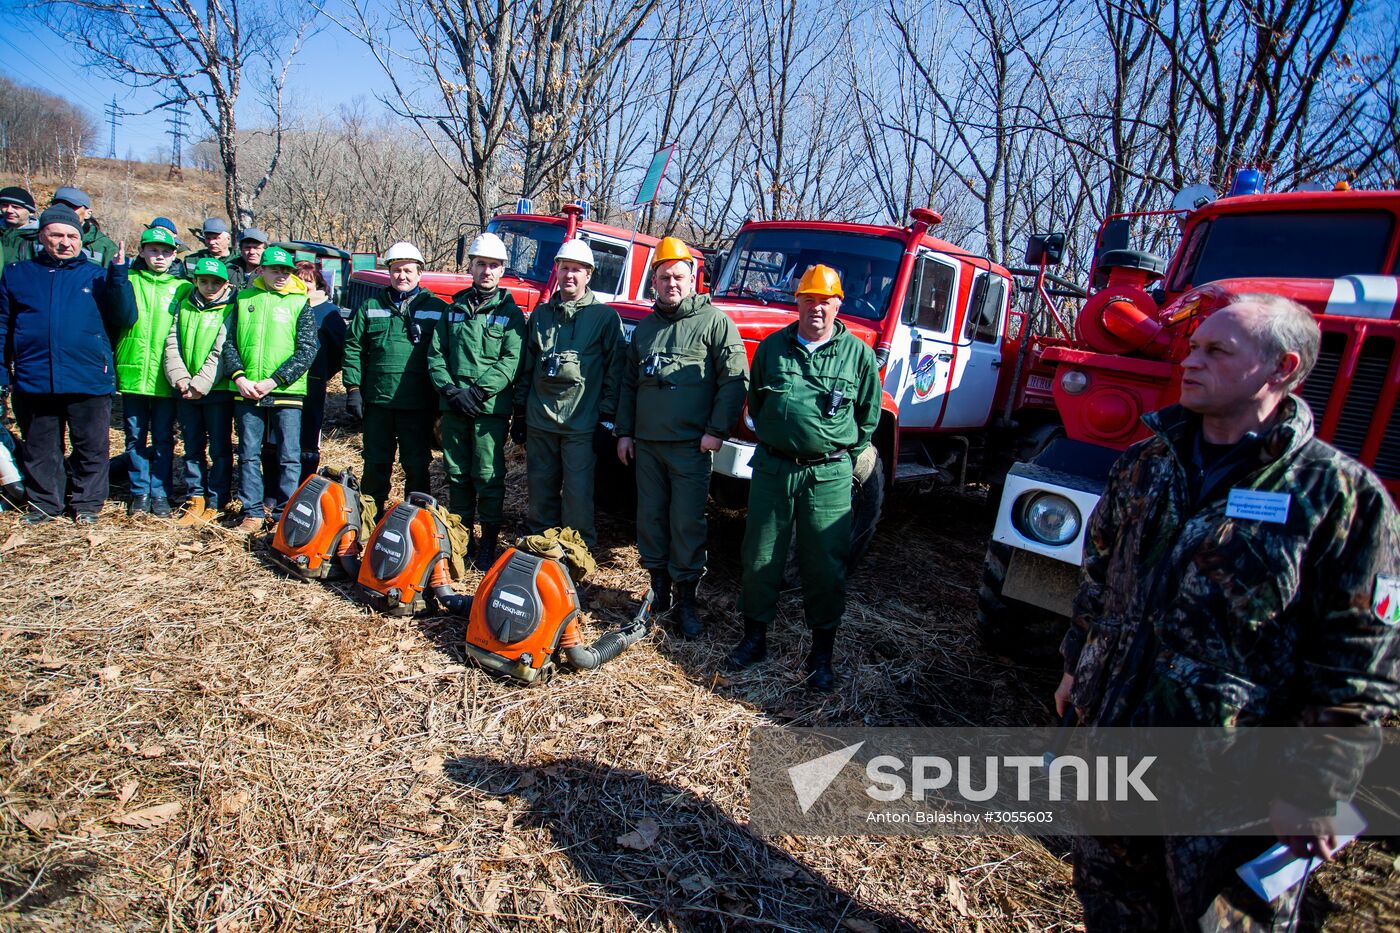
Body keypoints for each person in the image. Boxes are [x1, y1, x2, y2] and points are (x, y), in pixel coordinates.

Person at [1056, 294, 1400, 931]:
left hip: (1232, 788)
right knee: (1110, 906)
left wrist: (1315, 786)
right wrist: (1077, 665)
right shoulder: (1145, 464)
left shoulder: (1340, 497)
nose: (1191, 361)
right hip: (1117, 753)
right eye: (1194, 347)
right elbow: (1101, 576)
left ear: (1281, 368)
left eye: (1217, 350)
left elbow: (1361, 664)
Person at [726, 265, 879, 692]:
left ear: (837, 304)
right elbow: (756, 401)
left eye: (825, 300)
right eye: (808, 299)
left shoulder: (859, 355)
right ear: (797, 302)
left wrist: (830, 450)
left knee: (825, 564)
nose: (816, 308)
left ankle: (821, 654)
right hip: (774, 468)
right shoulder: (774, 348)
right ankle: (754, 638)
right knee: (759, 556)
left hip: (828, 474)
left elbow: (866, 420)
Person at [615, 236, 747, 637]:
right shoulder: (646, 328)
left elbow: (735, 380)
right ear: (653, 281)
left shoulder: (715, 322)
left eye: (678, 276)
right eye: (663, 276)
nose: (671, 283)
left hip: (691, 447)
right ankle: (659, 593)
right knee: (651, 520)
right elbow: (628, 384)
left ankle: (687, 602)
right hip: (648, 446)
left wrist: (716, 432)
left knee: (687, 523)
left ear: (693, 280)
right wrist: (624, 433)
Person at [0, 204, 133, 524]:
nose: (65, 242)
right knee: (40, 447)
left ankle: (87, 504)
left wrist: (118, 277)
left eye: (72, 235)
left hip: (88, 376)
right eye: (56, 234)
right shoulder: (18, 275)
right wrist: (3, 373)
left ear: (81, 240)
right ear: (41, 236)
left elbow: (126, 317)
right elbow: (3, 326)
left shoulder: (99, 276)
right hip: (35, 377)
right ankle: (46, 504)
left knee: (91, 447)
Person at [513, 238, 624, 550]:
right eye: (565, 269)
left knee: (577, 495)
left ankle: (576, 555)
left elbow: (615, 370)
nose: (570, 275)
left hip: (581, 424)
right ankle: (539, 548)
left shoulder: (604, 318)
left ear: (589, 274)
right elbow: (527, 366)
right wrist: (520, 412)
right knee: (540, 491)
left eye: (577, 269)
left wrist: (607, 417)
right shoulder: (541, 315)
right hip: (540, 421)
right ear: (557, 271)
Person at [427, 232, 525, 569]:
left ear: (502, 271)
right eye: (481, 263)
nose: (486, 270)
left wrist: (479, 392)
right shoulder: (452, 309)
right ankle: (461, 538)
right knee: (456, 474)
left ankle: (488, 545)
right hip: (453, 406)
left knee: (487, 475)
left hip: (488, 411)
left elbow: (510, 360)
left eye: (494, 265)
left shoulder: (511, 314)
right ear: (470, 266)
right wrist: (452, 391)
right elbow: (436, 354)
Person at [341, 241, 445, 515]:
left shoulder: (436, 308)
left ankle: (414, 521)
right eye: (397, 270)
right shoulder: (371, 307)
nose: (402, 276)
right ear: (389, 273)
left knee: (417, 466)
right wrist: (353, 388)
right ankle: (368, 522)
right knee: (375, 464)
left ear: (420, 274)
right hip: (378, 404)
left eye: (408, 270)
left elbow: (446, 353)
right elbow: (353, 347)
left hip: (418, 407)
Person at [220, 245, 317, 532]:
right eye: (275, 269)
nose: (282, 275)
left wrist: (275, 380)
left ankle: (285, 514)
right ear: (261, 270)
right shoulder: (243, 298)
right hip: (247, 390)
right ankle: (252, 511)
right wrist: (239, 377)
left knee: (288, 455)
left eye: (286, 270)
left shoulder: (300, 303)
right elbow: (228, 343)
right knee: (249, 453)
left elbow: (308, 349)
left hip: (286, 391)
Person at [115, 225, 191, 517]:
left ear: (174, 255)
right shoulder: (130, 280)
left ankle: (160, 492)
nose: (160, 257)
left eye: (166, 252)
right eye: (154, 251)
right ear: (143, 252)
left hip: (165, 375)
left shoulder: (182, 288)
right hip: (134, 371)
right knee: (135, 435)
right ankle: (138, 491)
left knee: (163, 437)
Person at [164, 257, 236, 525]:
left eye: (215, 282)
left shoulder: (229, 309)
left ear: (225, 283)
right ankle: (196, 497)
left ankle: (218, 498)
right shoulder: (183, 306)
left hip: (215, 391)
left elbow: (222, 349)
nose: (209, 286)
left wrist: (200, 385)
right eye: (203, 281)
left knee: (219, 448)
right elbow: (171, 343)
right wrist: (181, 379)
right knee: (192, 446)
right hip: (185, 391)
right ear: (195, 281)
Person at [294, 260, 346, 481]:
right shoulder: (285, 306)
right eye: (299, 279)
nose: (304, 285)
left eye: (309, 280)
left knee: (308, 434)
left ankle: (305, 481)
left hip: (312, 382)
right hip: (280, 386)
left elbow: (341, 349)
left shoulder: (327, 312)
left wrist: (323, 372)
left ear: (318, 283)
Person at [50, 187, 119, 266]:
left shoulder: (106, 248)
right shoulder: (39, 239)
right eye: (58, 206)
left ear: (88, 213)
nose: (64, 211)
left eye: (71, 207)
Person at [0, 186, 38, 276]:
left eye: (16, 207)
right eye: (5, 205)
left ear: (30, 211)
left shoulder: (41, 236)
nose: (9, 210)